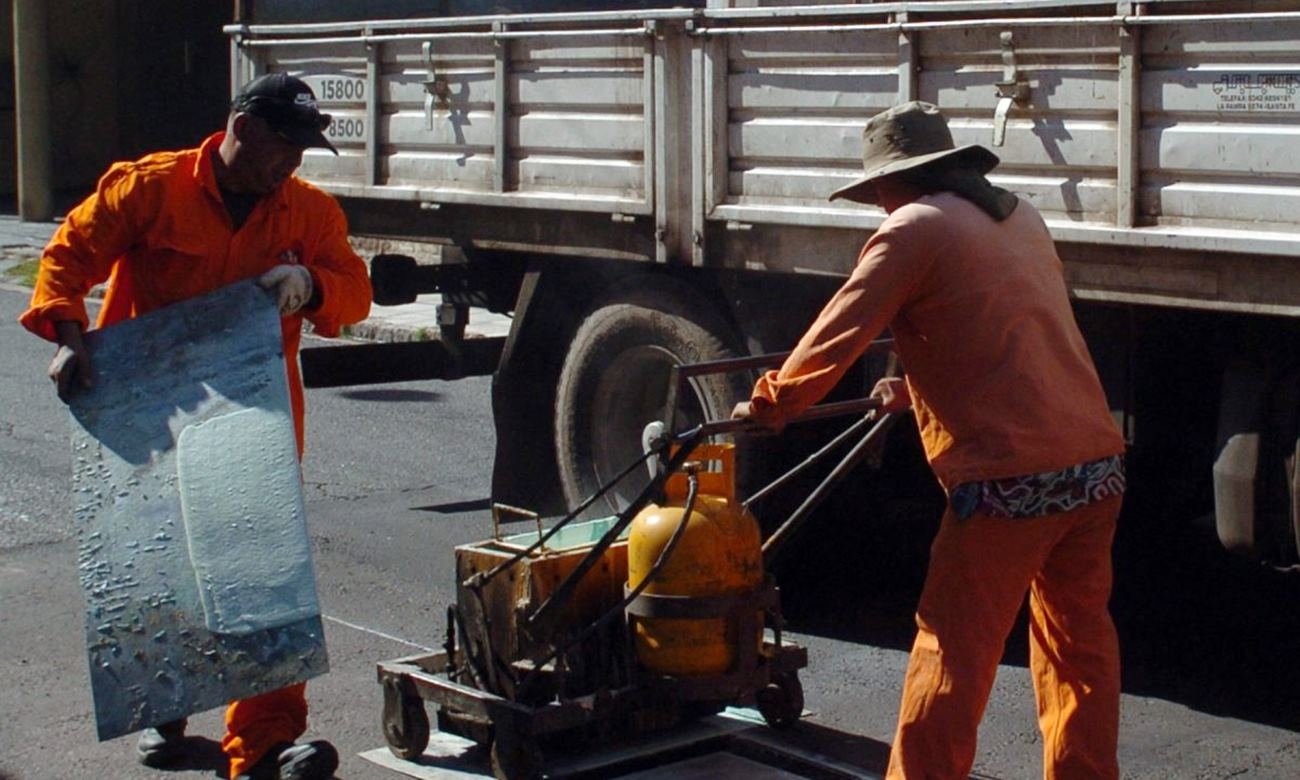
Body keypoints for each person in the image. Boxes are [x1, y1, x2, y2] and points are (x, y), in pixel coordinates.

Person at [732, 101, 1126, 779]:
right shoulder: (1016, 215)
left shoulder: (911, 229)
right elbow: (1007, 332)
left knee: (951, 655)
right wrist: (911, 389)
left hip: (1009, 482)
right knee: (1077, 651)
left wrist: (773, 403)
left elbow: (840, 331)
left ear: (897, 180)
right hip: (1092, 468)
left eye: (876, 189)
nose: (876, 202)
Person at [20, 72, 373, 780]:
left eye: (304, 152)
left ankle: (267, 744)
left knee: (260, 572)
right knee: (155, 564)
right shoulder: (151, 188)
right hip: (151, 410)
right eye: (284, 146)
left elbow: (355, 293)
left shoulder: (305, 212)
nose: (293, 164)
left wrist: (313, 289)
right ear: (242, 129)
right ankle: (164, 702)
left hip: (252, 421)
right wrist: (68, 332)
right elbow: (69, 254)